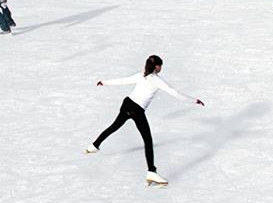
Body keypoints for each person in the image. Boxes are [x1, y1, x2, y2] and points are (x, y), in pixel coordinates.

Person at [86, 54, 204, 185]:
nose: (161, 68)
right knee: (148, 140)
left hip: (127, 103)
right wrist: (194, 100)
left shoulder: (142, 74)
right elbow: (174, 93)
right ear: (157, 66)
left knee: (114, 126)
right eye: (160, 65)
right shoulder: (157, 80)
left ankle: (93, 146)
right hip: (137, 110)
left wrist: (104, 82)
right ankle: (151, 172)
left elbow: (123, 80)